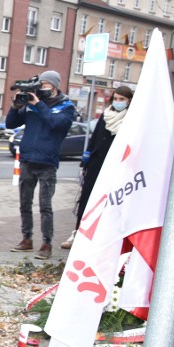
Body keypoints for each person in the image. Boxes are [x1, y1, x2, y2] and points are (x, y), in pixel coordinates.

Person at [6, 70, 76, 260]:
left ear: (54, 86)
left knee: (45, 206)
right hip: (28, 160)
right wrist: (15, 106)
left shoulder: (66, 107)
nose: (41, 87)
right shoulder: (31, 104)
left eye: (45, 84)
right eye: (40, 84)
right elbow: (10, 124)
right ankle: (26, 239)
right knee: (24, 203)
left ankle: (46, 243)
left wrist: (39, 104)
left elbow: (55, 124)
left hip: (47, 163)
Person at [61, 86, 135, 249]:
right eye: (116, 98)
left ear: (129, 101)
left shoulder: (132, 119)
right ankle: (79, 232)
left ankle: (105, 238)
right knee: (86, 200)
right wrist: (87, 156)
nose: (118, 102)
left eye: (122, 99)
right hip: (96, 165)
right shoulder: (106, 116)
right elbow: (94, 139)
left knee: (110, 203)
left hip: (116, 168)